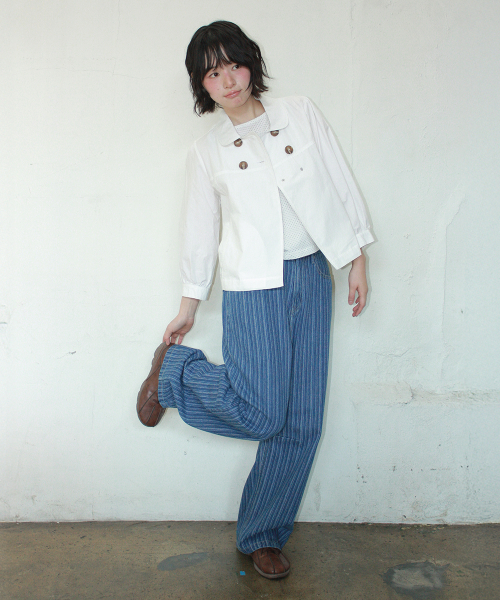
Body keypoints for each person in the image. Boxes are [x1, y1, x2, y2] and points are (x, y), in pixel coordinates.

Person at [137, 20, 374, 580]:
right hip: (252, 286)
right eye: (212, 73)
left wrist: (357, 257)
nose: (228, 80)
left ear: (251, 64)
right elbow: (200, 231)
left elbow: (338, 180)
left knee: (303, 420)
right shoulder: (207, 151)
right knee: (262, 411)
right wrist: (189, 305)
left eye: (234, 65)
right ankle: (176, 372)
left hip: (312, 275)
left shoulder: (300, 113)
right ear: (202, 85)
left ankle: (262, 534)